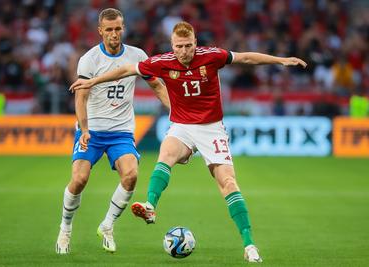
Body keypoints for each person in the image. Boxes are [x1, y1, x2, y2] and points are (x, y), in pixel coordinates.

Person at [70, 21, 307, 262]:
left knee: (228, 183)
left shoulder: (212, 56)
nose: (184, 51)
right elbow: (126, 70)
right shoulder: (163, 62)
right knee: (166, 154)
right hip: (182, 126)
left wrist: (281, 60)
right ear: (172, 46)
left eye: (188, 45)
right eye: (179, 46)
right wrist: (92, 81)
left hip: (211, 128)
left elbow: (246, 58)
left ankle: (249, 245)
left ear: (196, 43)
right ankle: (150, 205)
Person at [56, 8, 169, 254]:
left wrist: (177, 112)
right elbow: (81, 97)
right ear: (100, 31)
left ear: (123, 28)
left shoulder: (137, 55)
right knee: (79, 180)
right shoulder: (89, 59)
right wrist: (84, 129)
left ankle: (107, 225)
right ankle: (65, 229)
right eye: (109, 29)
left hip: (121, 131)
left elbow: (157, 86)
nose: (114, 34)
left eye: (118, 28)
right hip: (92, 130)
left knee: (130, 175)